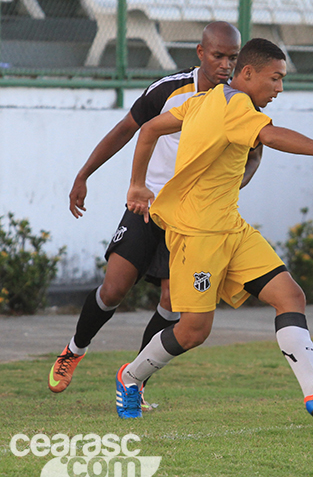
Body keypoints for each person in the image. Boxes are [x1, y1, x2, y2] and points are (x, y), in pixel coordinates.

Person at [117, 38, 313, 419]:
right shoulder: (235, 103)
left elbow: (150, 129)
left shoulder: (204, 100)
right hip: (197, 236)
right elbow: (270, 136)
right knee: (192, 332)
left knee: (290, 297)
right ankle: (130, 377)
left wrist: (138, 183)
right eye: (275, 79)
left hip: (231, 228)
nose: (280, 89)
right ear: (248, 73)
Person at [48, 22, 253, 406]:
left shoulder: (238, 100)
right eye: (218, 56)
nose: (226, 64)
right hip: (148, 208)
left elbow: (255, 153)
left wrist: (237, 182)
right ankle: (74, 351)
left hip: (193, 221)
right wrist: (84, 174)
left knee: (173, 302)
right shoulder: (168, 90)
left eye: (233, 57)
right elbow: (125, 130)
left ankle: (135, 381)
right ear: (200, 52)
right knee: (113, 289)